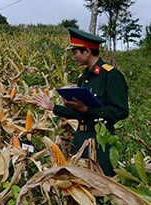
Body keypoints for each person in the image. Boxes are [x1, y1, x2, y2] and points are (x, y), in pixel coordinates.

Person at [34, 27, 129, 176]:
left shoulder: (111, 75)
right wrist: (52, 107)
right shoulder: (83, 78)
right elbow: (77, 112)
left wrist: (88, 110)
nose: (73, 57)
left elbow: (121, 111)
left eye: (75, 52)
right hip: (79, 140)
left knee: (101, 188)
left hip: (101, 141)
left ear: (87, 51)